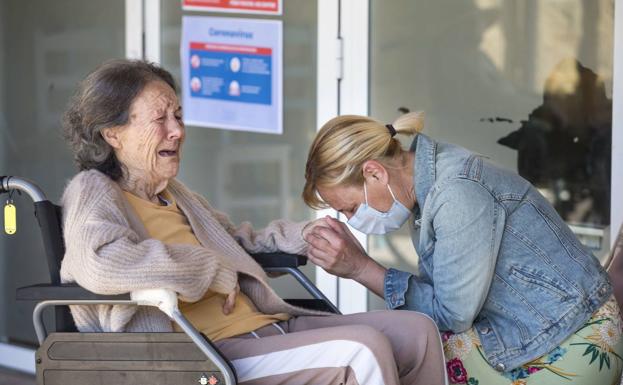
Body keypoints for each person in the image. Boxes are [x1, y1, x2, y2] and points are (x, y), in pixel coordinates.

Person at [59, 59, 446, 385]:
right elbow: (101, 262)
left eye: (177, 115)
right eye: (159, 118)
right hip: (205, 354)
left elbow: (238, 243)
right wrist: (210, 271)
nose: (177, 130)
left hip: (266, 326)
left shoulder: (175, 195)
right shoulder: (93, 191)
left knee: (417, 331)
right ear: (113, 134)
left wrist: (303, 235)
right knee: (361, 351)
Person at [302, 112, 623, 384]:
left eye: (351, 207)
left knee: (396, 356)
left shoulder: (456, 193)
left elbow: (450, 315)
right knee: (399, 346)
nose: (351, 219)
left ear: (374, 172)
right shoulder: (427, 184)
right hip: (540, 325)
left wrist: (360, 268)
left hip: (569, 339)